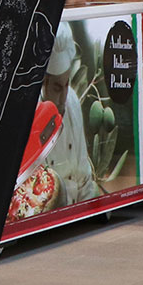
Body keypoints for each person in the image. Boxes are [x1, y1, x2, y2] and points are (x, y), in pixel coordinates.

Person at [41, 30, 101, 208]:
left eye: (67, 85)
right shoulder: (33, 113)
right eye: (57, 88)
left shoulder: (72, 101)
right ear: (43, 84)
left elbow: (84, 174)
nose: (63, 97)